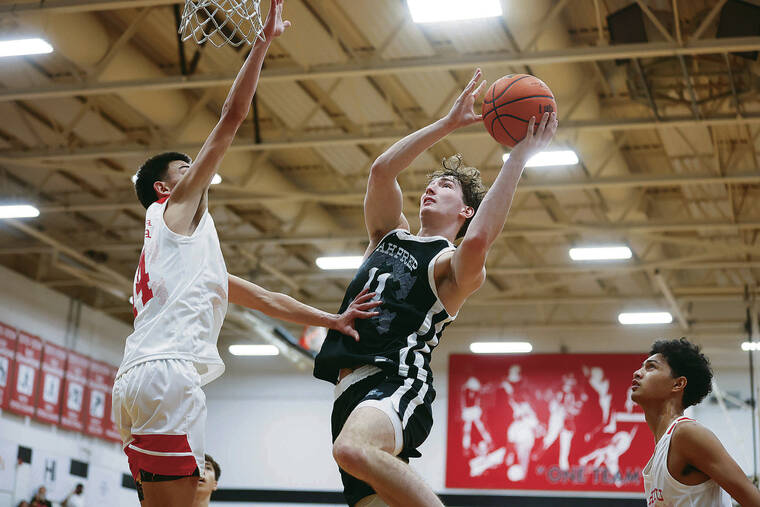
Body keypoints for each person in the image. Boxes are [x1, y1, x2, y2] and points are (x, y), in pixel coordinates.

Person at [111, 2, 380, 506]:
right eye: (185, 168)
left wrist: (332, 318)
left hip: (135, 378)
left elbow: (263, 298)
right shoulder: (174, 214)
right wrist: (262, 42)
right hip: (167, 375)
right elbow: (232, 118)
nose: (196, 171)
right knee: (191, 498)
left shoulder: (178, 254)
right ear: (162, 189)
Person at [314, 68, 558, 506]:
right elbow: (381, 171)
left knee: (351, 450)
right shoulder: (388, 235)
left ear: (465, 210)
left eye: (445, 186)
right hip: (346, 391)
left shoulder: (451, 266)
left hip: (398, 381)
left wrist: (517, 157)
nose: (431, 188)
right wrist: (446, 124)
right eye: (430, 183)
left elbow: (481, 239)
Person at [632, 338, 760, 506]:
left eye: (651, 367)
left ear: (678, 384)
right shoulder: (661, 450)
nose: (638, 372)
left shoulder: (687, 434)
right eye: (642, 366)